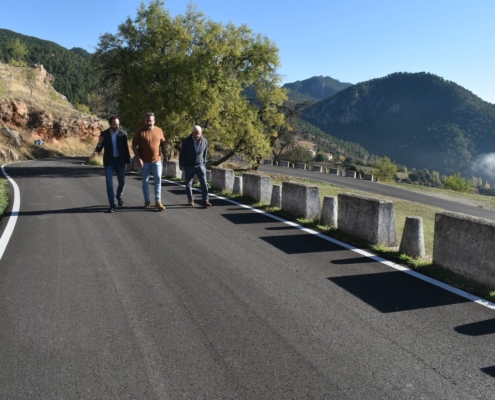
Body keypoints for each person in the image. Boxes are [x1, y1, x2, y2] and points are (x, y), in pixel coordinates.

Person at [94, 116, 131, 213]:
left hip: (120, 161)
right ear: (110, 124)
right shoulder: (104, 134)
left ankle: (119, 195)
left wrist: (128, 162)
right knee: (109, 184)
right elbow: (98, 150)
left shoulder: (123, 134)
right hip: (109, 162)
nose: (116, 126)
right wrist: (99, 143)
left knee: (122, 182)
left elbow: (126, 149)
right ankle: (112, 205)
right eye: (114, 124)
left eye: (118, 124)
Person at [132, 112, 167, 211]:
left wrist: (165, 158)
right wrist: (138, 158)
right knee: (145, 181)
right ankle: (147, 200)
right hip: (144, 161)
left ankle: (158, 202)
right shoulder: (140, 131)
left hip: (157, 161)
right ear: (145, 121)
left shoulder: (159, 130)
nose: (149, 122)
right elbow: (134, 145)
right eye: (147, 121)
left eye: (150, 121)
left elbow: (163, 144)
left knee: (158, 179)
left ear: (154, 121)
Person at [179, 125, 211, 207]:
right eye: (195, 133)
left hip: (200, 165)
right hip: (189, 165)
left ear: (201, 133)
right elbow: (182, 153)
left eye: (198, 133)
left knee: (204, 183)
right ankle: (190, 199)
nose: (197, 135)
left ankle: (205, 200)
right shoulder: (186, 141)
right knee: (189, 184)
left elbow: (205, 153)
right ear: (192, 133)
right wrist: (181, 164)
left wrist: (204, 164)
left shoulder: (205, 141)